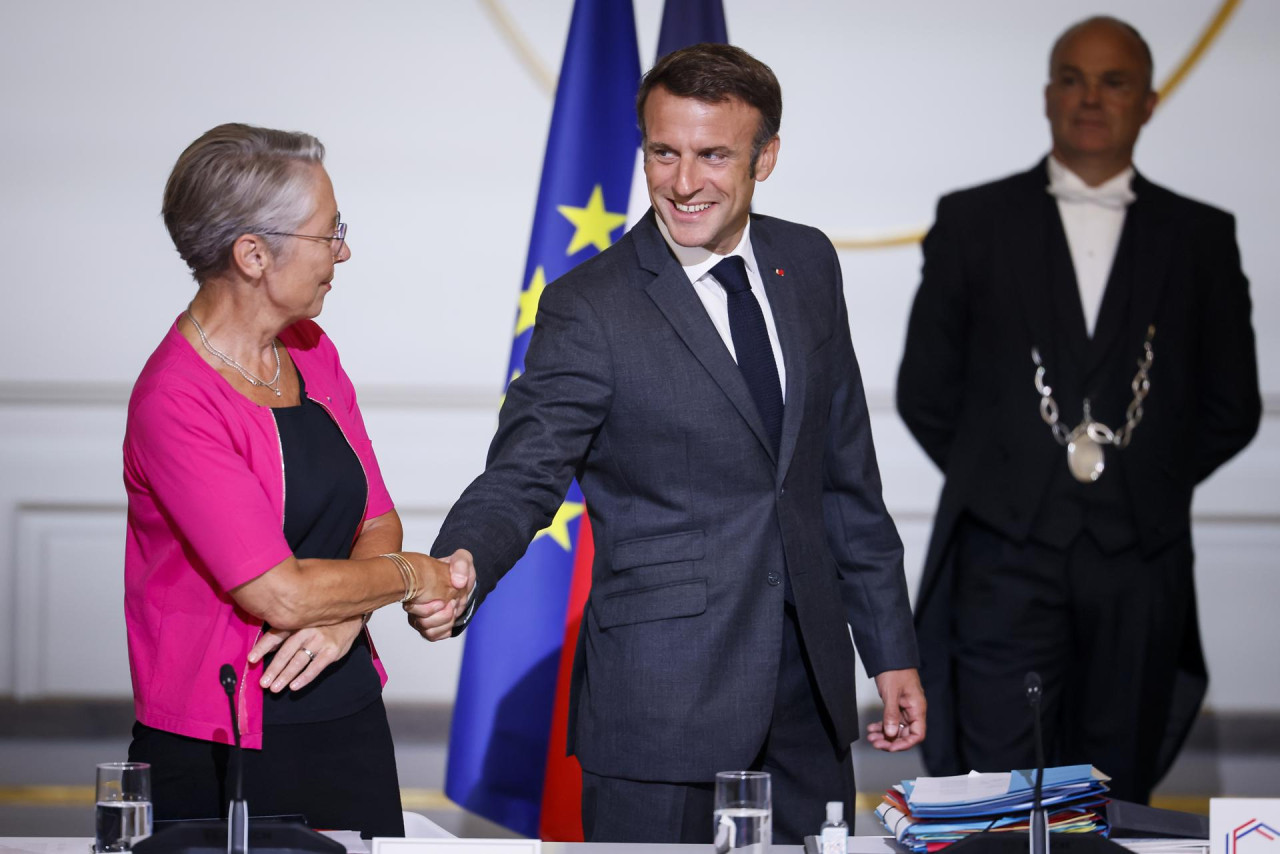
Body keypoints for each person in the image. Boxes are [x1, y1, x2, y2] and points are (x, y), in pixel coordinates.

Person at [410, 44, 925, 844]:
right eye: (664, 152)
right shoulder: (591, 306)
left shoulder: (809, 264)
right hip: (662, 701)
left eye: (714, 155)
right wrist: (463, 562)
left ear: (767, 158)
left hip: (807, 701)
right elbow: (525, 469)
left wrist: (890, 650)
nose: (684, 183)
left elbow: (844, 477)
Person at [897, 17, 1261, 803]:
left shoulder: (1201, 236)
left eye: (1115, 80)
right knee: (995, 796)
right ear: (1047, 95)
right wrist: (1011, 487)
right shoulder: (972, 222)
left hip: (1141, 564)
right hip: (1002, 563)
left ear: (1150, 103)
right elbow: (924, 395)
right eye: (1072, 77)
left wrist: (1145, 487)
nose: (1091, 97)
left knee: (1115, 794)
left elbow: (1232, 407)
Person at [122, 123, 468, 837]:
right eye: (327, 232)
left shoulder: (310, 348)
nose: (343, 250)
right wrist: (411, 578)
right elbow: (278, 592)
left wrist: (344, 618)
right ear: (253, 255)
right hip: (222, 741)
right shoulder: (175, 400)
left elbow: (375, 518)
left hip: (345, 713)